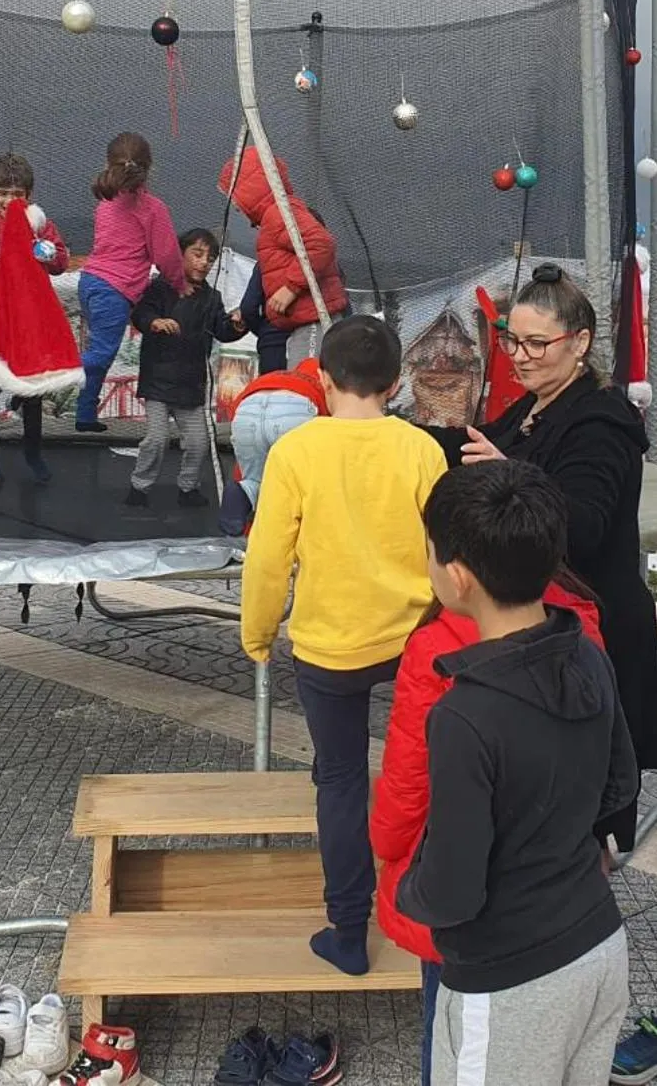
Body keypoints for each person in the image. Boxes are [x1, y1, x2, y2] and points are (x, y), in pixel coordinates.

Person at [398, 461, 637, 1086]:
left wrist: (406, 890)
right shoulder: (587, 654)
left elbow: (452, 892)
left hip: (509, 982)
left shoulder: (463, 715)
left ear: (457, 575)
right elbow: (621, 786)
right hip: (598, 944)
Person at [240, 315, 448, 977]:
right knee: (428, 773)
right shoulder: (422, 450)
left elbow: (267, 558)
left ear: (323, 380)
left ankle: (349, 931)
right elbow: (444, 547)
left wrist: (258, 633)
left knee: (339, 780)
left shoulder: (296, 452)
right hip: (412, 640)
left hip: (328, 646)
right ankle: (432, 913)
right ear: (396, 382)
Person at [372, 550, 607, 1086]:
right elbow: (615, 780)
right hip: (570, 906)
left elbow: (408, 786)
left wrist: (396, 865)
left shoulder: (439, 652)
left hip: (475, 922)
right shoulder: (581, 631)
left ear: (458, 574)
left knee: (457, 1045)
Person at [455, 263, 657, 830]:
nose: (519, 357)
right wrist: (382, 432)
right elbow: (474, 446)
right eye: (512, 341)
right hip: (550, 628)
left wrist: (509, 475)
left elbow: (583, 527)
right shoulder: (534, 406)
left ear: (580, 343)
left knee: (586, 822)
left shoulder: (603, 421)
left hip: (595, 631)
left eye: (536, 344)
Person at [0, 152, 68, 487]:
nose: (9, 200)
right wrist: (11, 264)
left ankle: (33, 453)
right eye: (3, 193)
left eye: (17, 194)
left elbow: (60, 261)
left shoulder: (39, 222)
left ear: (29, 195)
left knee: (33, 392)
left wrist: (46, 253)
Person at [75, 132, 188, 433]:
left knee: (100, 352)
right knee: (101, 353)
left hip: (90, 282)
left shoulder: (105, 203)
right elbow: (166, 256)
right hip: (113, 289)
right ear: (149, 168)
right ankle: (45, 374)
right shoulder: (152, 208)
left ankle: (85, 414)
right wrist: (180, 285)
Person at [126, 228, 245, 508]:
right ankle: (139, 486)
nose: (204, 263)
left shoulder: (212, 298)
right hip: (158, 382)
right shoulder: (161, 287)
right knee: (156, 439)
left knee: (198, 443)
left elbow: (221, 329)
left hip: (190, 385)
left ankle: (188, 488)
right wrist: (154, 322)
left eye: (210, 258)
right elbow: (141, 312)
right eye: (197, 254)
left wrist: (237, 325)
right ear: (180, 255)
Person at [218, 144, 349, 371]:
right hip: (301, 321)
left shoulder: (279, 213)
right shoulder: (275, 215)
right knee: (300, 380)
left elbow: (321, 243)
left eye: (237, 197)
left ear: (251, 192)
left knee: (307, 379)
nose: (237, 208)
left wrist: (291, 288)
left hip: (313, 319)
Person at [219, 355, 329, 536]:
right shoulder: (331, 382)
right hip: (296, 408)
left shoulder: (281, 375)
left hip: (248, 407)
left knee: (254, 479)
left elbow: (236, 408)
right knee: (303, 484)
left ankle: (243, 491)